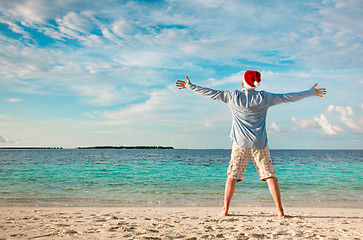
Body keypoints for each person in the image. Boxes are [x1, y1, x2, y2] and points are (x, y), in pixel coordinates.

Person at [176, 70, 327, 217]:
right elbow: (287, 97)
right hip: (259, 143)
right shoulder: (264, 97)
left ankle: (225, 209)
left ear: (243, 82)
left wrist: (190, 86)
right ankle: (280, 211)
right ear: (256, 83)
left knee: (232, 176)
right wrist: (310, 92)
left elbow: (210, 93)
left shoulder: (233, 96)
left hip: (240, 143)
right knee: (270, 176)